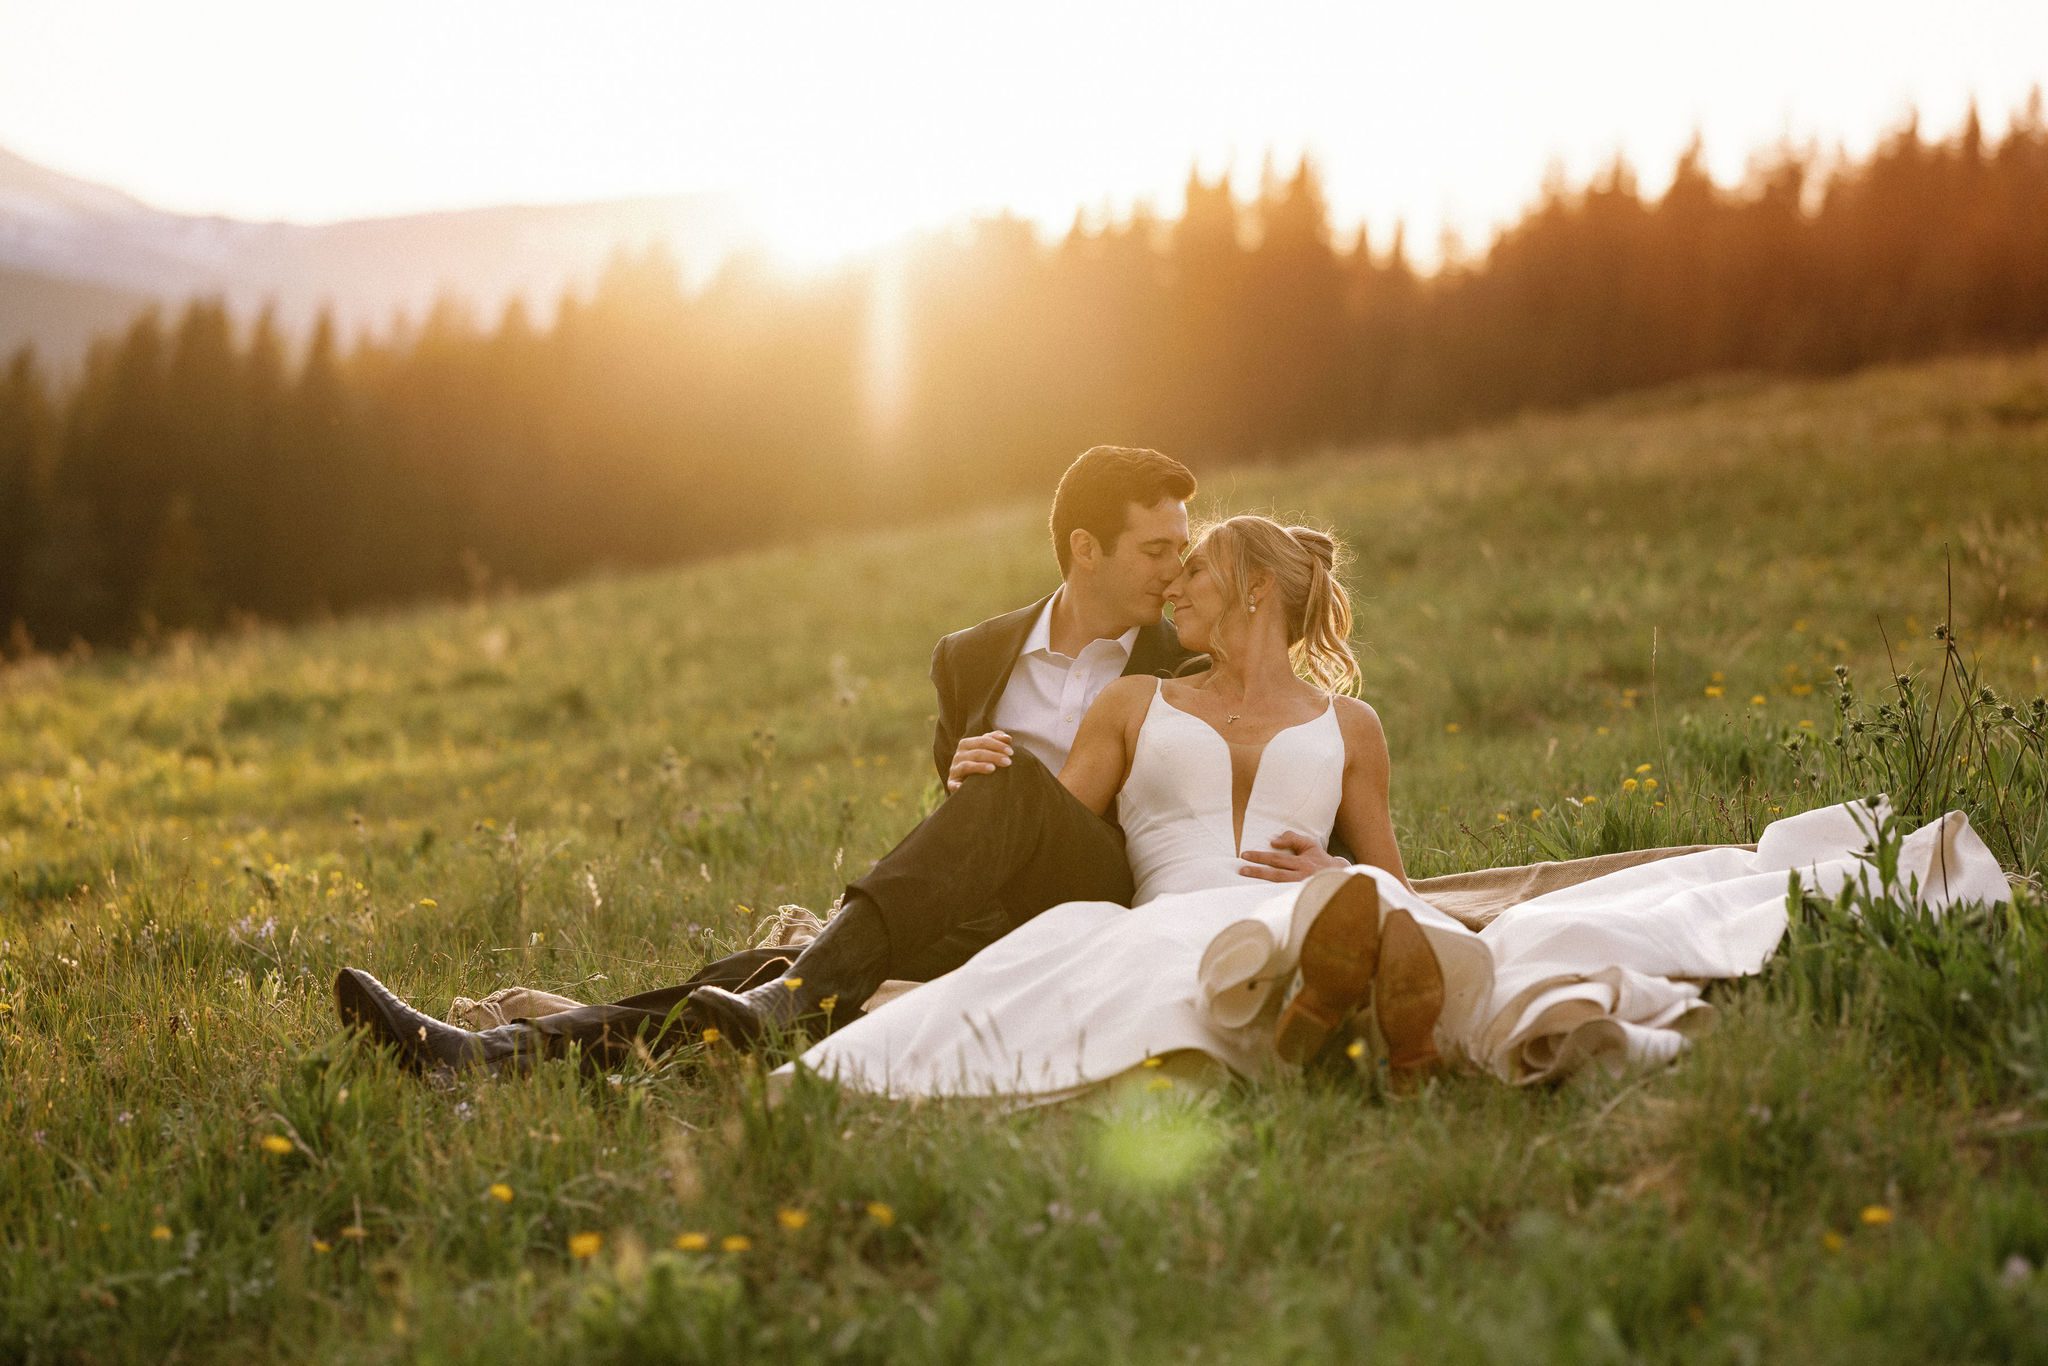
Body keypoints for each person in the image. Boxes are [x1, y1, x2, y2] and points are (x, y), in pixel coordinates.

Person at [787, 517, 2013, 1102]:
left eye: (1197, 578)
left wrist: (1359, 887)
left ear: (1256, 594)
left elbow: (1401, 871)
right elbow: (1050, 850)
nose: (1175, 596)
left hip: (1322, 897)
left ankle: (1356, 1004)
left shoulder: (1349, 729)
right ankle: (1344, 1016)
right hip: (1162, 905)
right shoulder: (1132, 703)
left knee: (1364, 903)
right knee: (1181, 942)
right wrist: (970, 795)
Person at [336, 448, 1348, 1071]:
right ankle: (486, 1053)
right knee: (759, 975)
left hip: (1112, 901)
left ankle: (787, 998)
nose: (1178, 571)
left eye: (1185, 550)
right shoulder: (970, 661)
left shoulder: (1188, 655)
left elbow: (1290, 772)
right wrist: (962, 795)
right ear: (1084, 550)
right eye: (1156, 550)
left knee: (973, 829)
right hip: (979, 904)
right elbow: (953, 830)